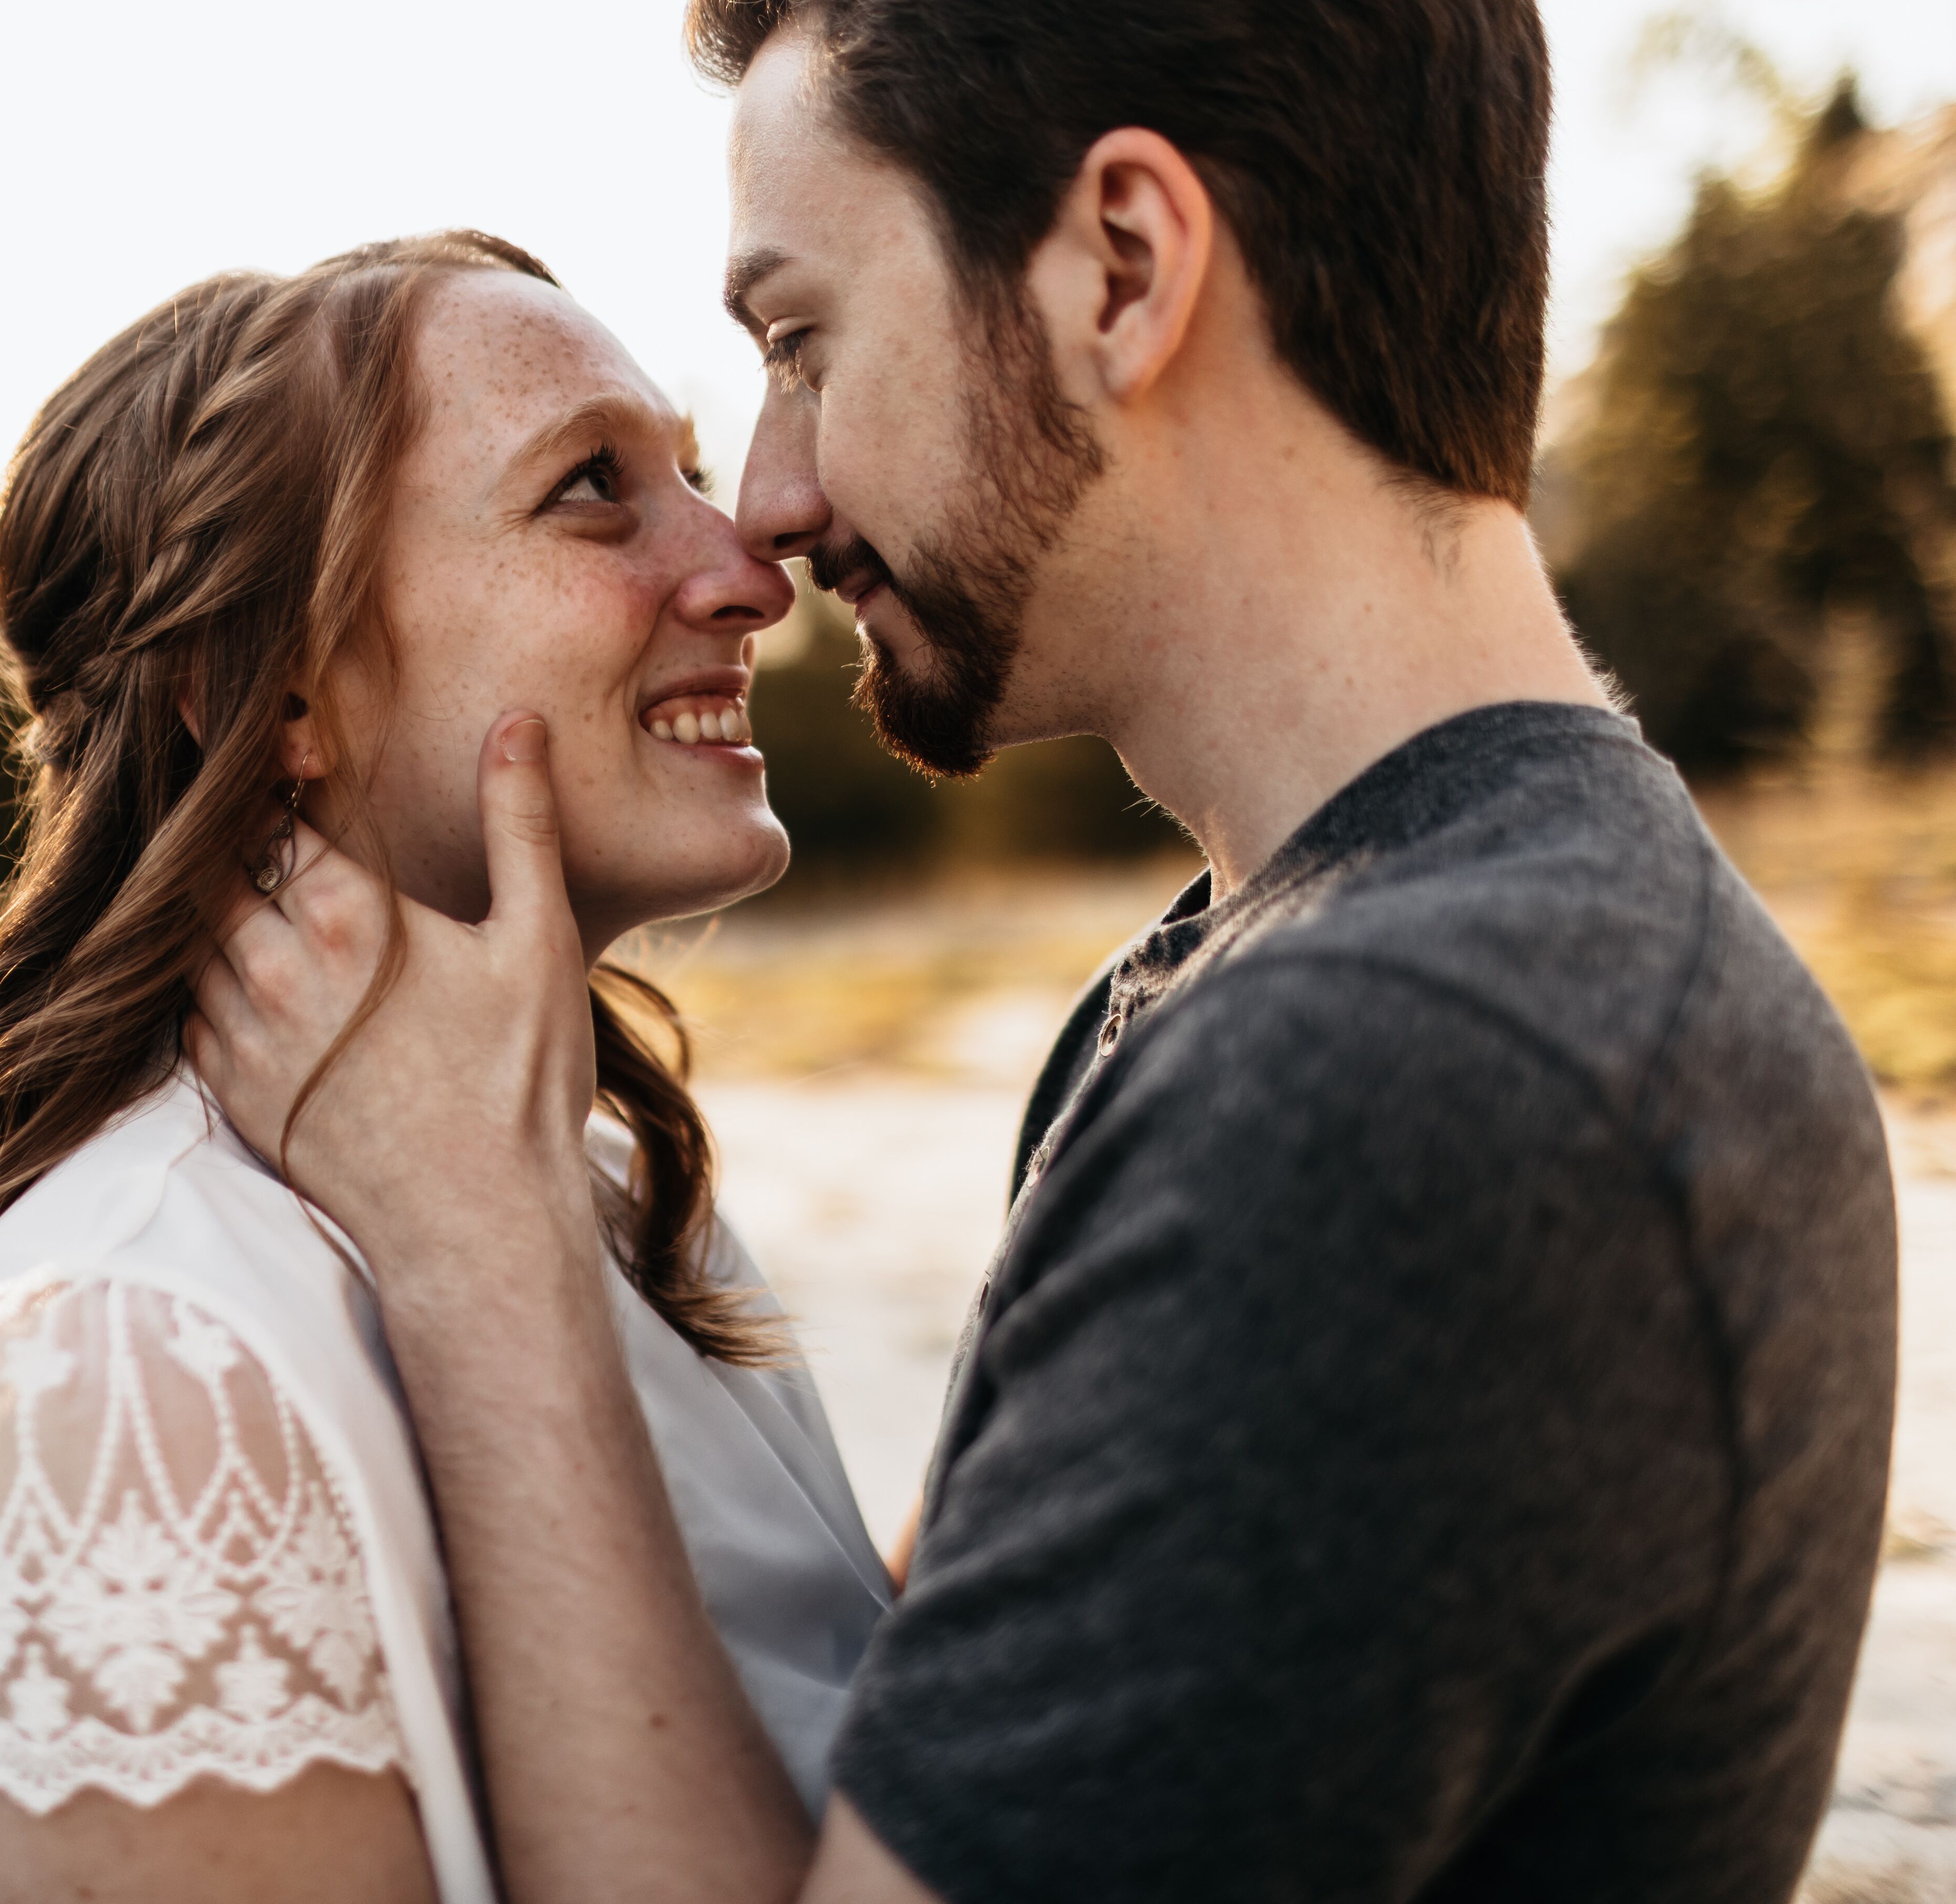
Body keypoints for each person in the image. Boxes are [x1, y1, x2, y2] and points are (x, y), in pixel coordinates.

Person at [187, 4, 1902, 1901]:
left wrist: (479, 1252)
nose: (771, 503)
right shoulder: (1287, 967)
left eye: (802, 341)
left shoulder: (1400, 1072)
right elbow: (919, 1741)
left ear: (1124, 268)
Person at [0, 231, 894, 1902]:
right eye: (593, 488)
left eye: (694, 476)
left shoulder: (626, 1208)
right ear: (273, 688)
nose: (747, 568)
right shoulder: (138, 1369)